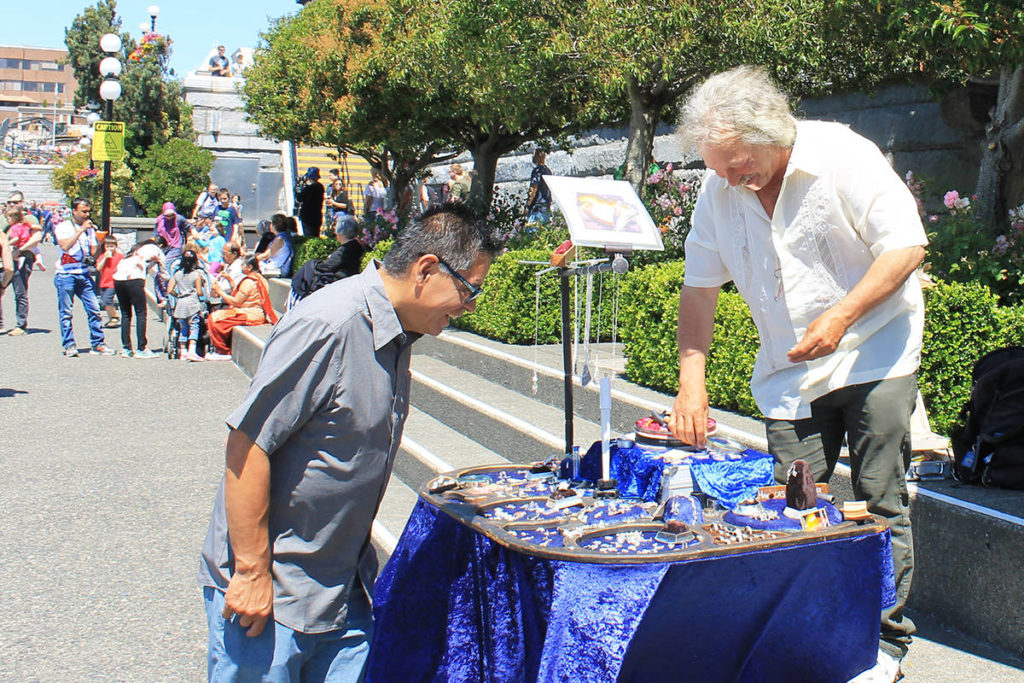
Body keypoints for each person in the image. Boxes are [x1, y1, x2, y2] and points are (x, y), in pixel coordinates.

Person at [668, 66, 925, 679]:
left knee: (879, 496)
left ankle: (884, 641)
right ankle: (804, 630)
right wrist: (690, 382)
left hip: (874, 352)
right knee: (790, 505)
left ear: (773, 131)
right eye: (719, 166)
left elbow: (906, 245)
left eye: (737, 162)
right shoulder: (719, 185)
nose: (729, 178)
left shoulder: (841, 154)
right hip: (788, 372)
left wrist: (841, 315)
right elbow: (699, 291)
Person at [198, 203, 499, 681]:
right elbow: (247, 444)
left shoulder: (398, 333)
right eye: (469, 289)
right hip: (272, 594)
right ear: (425, 269)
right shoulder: (331, 325)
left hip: (341, 588)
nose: (471, 305)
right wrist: (252, 572)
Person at [53, 198, 115, 357]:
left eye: (88, 212)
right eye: (83, 211)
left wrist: (100, 243)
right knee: (66, 312)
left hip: (83, 273)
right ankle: (69, 345)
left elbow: (93, 254)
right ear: (74, 211)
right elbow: (65, 246)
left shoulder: (89, 230)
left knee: (94, 309)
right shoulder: (63, 227)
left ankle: (98, 343)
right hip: (66, 273)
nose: (87, 215)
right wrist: (80, 230)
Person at [205, 256, 277, 359]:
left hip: (249, 314)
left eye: (243, 265)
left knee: (215, 319)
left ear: (249, 267)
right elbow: (240, 295)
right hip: (252, 312)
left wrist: (219, 291)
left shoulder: (249, 282)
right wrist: (230, 279)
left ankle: (223, 352)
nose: (241, 267)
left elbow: (237, 301)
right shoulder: (261, 279)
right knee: (218, 317)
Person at [288, 216, 364, 309]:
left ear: (340, 233)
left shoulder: (345, 249)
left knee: (309, 267)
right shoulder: (355, 246)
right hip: (342, 279)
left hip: (337, 281)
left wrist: (315, 264)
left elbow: (327, 267)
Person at [112, 239, 166, 358]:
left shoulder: (134, 250)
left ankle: (126, 348)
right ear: (161, 245)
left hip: (118, 279)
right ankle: (141, 348)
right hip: (134, 279)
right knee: (141, 313)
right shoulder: (156, 250)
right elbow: (164, 273)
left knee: (126, 314)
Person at [0, 206, 40, 335]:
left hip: (22, 259)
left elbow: (37, 234)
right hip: (10, 259)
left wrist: (9, 243)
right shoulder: (23, 224)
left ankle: (21, 325)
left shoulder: (20, 225)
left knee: (20, 292)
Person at [168, 249, 207, 362]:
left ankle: (183, 352)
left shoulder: (177, 274)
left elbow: (170, 290)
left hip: (181, 303)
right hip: (192, 302)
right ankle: (192, 351)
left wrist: (178, 295)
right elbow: (199, 292)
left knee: (183, 328)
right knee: (194, 326)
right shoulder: (196, 275)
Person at [94, 235, 124, 328]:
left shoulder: (120, 256)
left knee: (107, 300)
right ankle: (112, 317)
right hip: (104, 281)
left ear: (116, 246)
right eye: (107, 246)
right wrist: (105, 258)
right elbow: (98, 268)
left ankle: (115, 316)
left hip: (113, 282)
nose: (110, 249)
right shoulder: (102, 256)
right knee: (103, 302)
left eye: (112, 246)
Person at [296, 167, 326, 238]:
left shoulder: (308, 189)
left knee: (308, 236)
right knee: (316, 235)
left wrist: (299, 189)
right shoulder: (321, 187)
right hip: (317, 215)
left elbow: (299, 199)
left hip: (307, 217)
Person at [525, 149, 553, 224]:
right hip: (546, 206)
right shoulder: (548, 171)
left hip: (537, 207)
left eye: (534, 155)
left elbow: (534, 188)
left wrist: (528, 205)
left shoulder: (537, 171)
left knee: (532, 232)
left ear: (538, 156)